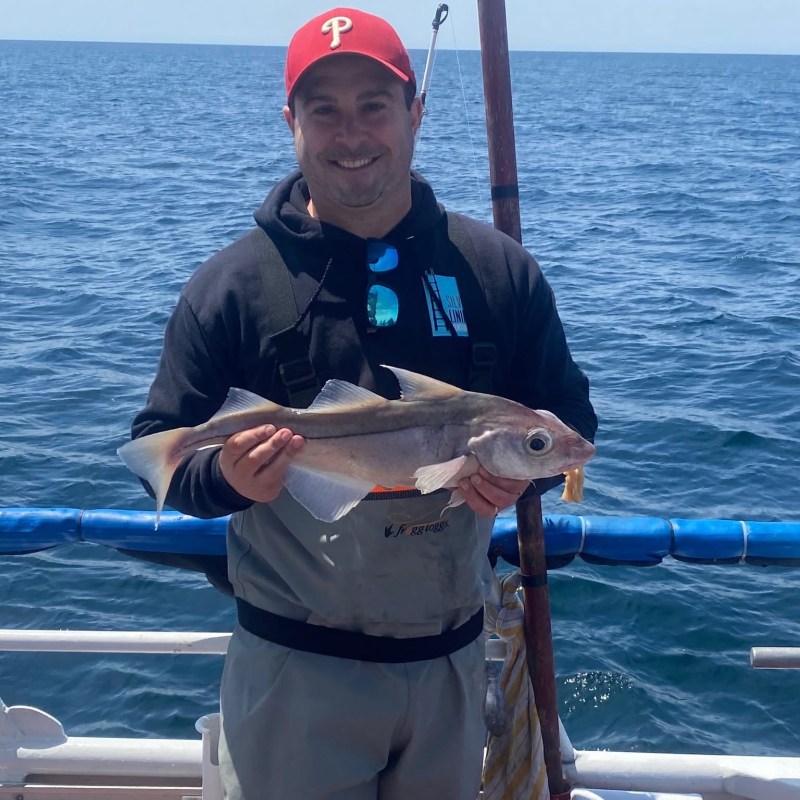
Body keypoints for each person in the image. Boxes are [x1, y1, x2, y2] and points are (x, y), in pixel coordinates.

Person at [130, 7, 597, 799]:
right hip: (293, 672)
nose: (352, 134)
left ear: (416, 111)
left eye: (374, 106)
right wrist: (232, 482)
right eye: (325, 110)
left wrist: (525, 479)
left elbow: (568, 430)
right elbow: (160, 460)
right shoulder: (231, 287)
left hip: (449, 663)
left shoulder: (498, 273)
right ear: (291, 121)